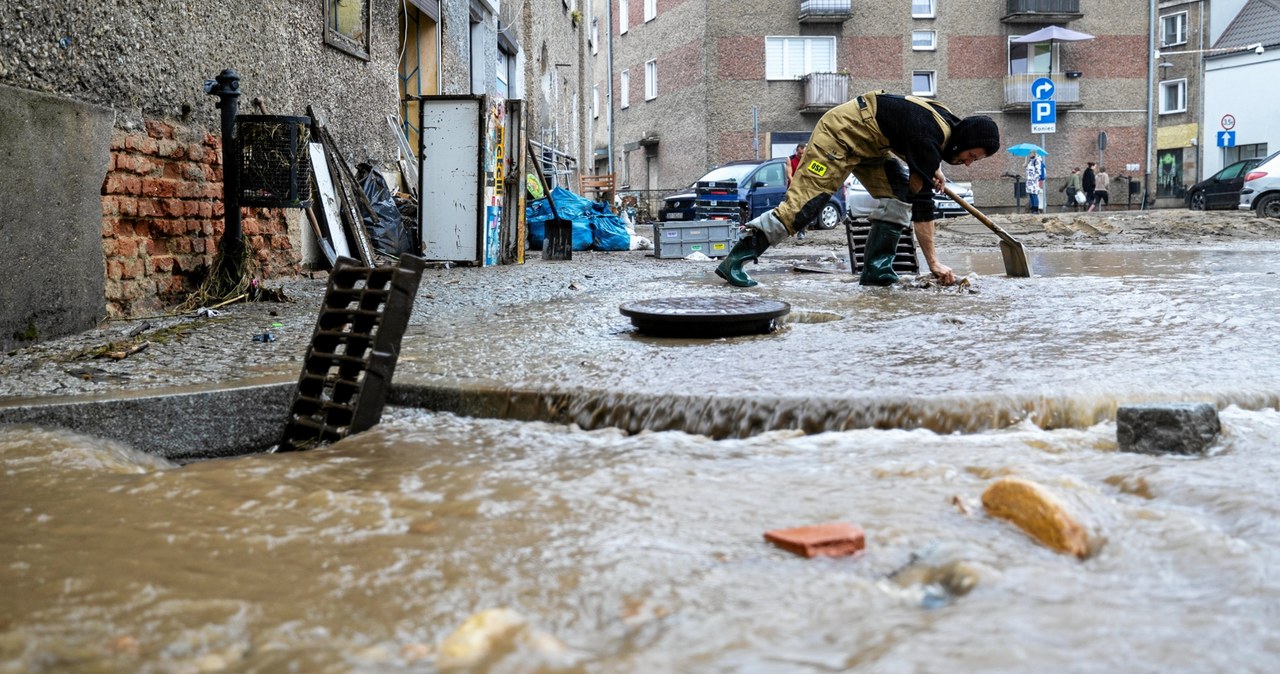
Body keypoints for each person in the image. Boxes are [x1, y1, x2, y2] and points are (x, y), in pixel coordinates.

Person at [715, 90, 1000, 288]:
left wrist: (930, 168)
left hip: (870, 145)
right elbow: (924, 208)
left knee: (900, 193)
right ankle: (736, 261)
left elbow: (910, 137)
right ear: (963, 142)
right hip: (839, 136)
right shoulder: (930, 136)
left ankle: (876, 270)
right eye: (971, 156)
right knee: (805, 208)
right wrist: (934, 263)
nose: (968, 164)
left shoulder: (948, 125)